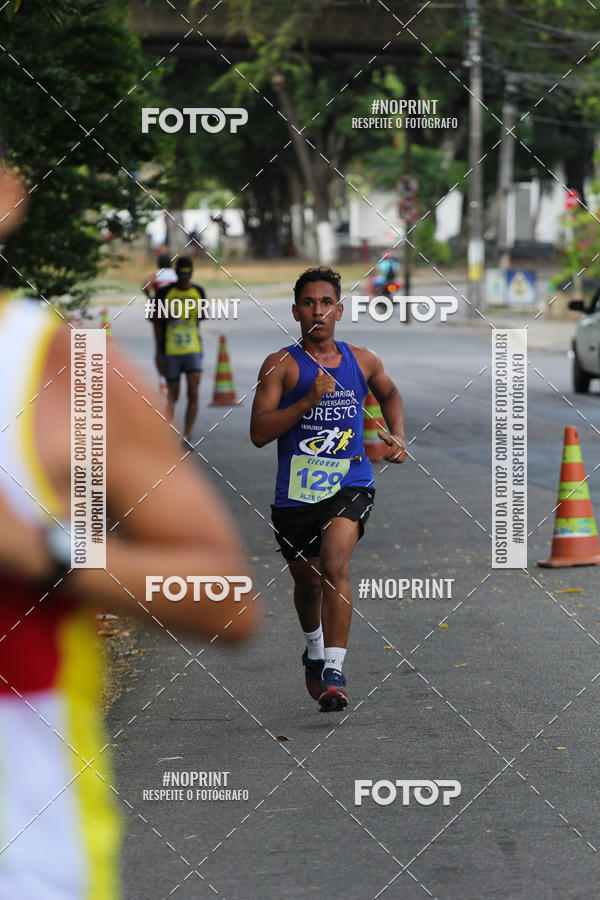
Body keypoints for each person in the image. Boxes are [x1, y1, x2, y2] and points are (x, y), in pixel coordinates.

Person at [0, 162, 259, 898]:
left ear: (6, 196)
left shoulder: (56, 371)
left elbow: (226, 595)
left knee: (175, 387)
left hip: (26, 868)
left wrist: (44, 552)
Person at [250, 266, 406, 712]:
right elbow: (259, 433)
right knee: (308, 583)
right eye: (308, 303)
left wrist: (397, 434)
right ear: (296, 310)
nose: (317, 311)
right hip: (295, 495)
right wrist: (306, 401)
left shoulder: (363, 360)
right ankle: (314, 649)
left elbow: (390, 393)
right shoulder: (280, 365)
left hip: (350, 482)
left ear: (339, 309)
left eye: (326, 303)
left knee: (335, 564)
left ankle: (335, 670)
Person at [154, 256, 206, 447]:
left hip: (193, 349)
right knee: (173, 395)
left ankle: (187, 435)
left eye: (187, 275)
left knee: (194, 391)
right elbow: (157, 324)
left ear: (191, 274)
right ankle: (164, 435)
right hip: (171, 351)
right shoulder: (164, 293)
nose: (185, 279)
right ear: (176, 274)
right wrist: (158, 351)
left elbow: (202, 315)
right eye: (181, 275)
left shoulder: (198, 291)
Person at [142, 252, 177, 383]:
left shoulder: (155, 275)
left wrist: (151, 298)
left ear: (158, 264)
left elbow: (145, 287)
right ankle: (174, 373)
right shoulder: (176, 275)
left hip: (158, 311)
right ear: (171, 264)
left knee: (159, 346)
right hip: (174, 312)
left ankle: (162, 377)